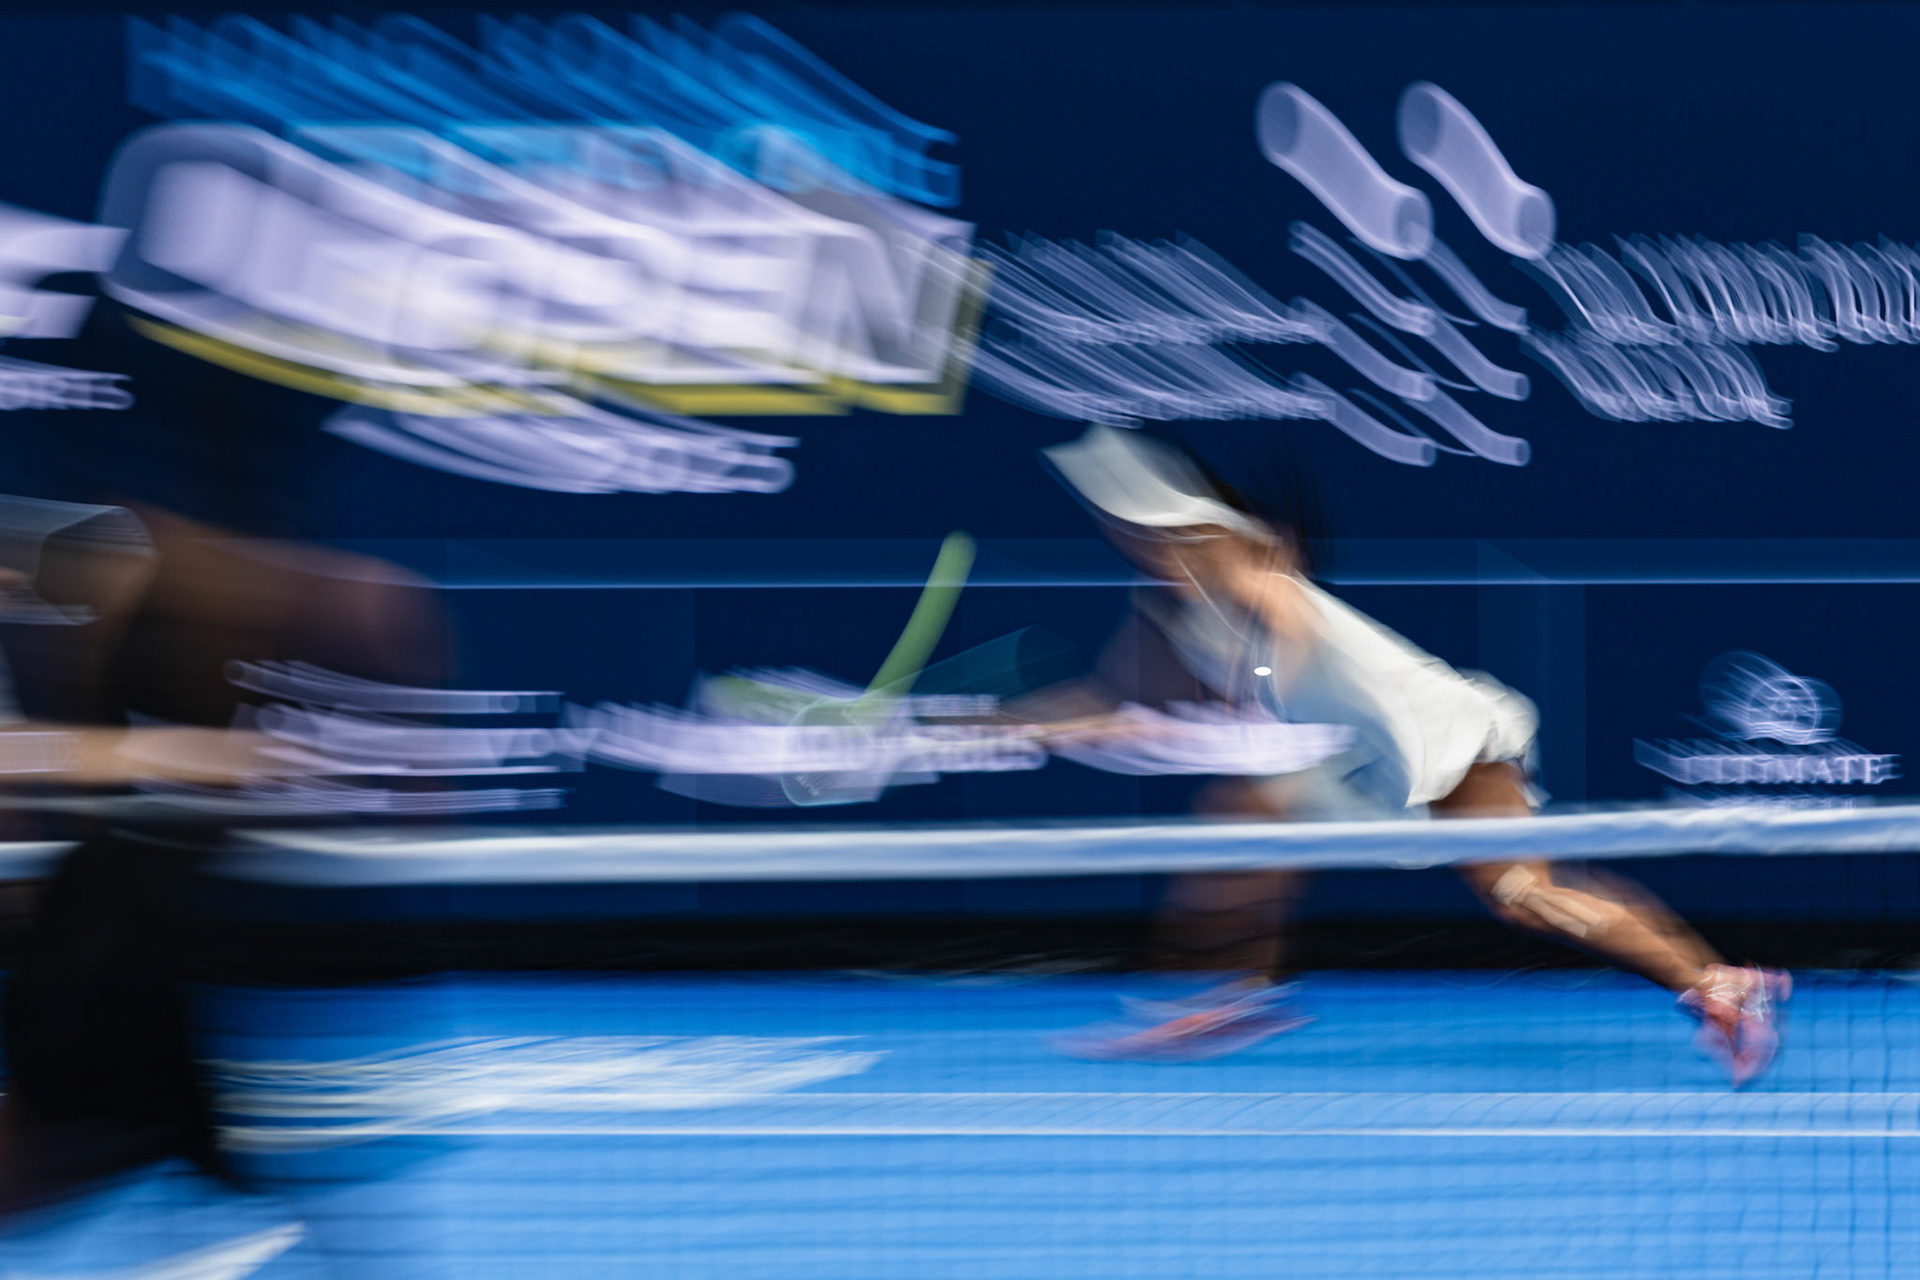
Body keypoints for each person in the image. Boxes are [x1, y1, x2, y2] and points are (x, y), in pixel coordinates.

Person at [1037, 425, 1788, 1086]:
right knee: (1243, 815)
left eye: (1147, 527)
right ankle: (1236, 995)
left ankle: (1716, 982)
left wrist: (1245, 705)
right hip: (1362, 755)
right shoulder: (1169, 609)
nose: (1137, 541)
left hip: (1442, 735)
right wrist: (1020, 727)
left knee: (1524, 894)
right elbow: (1117, 700)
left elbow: (1280, 629)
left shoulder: (1245, 575)